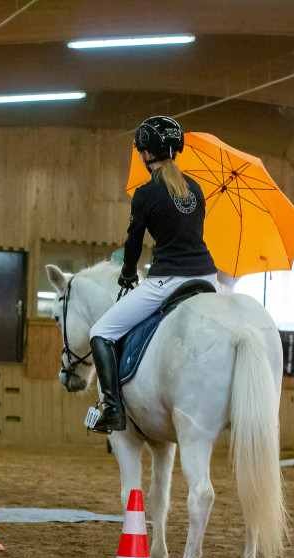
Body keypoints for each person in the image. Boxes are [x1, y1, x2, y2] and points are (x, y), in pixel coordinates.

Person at [86, 115, 219, 433]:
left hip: (166, 281)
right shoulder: (197, 190)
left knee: (100, 332)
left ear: (147, 153)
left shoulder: (145, 194)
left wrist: (127, 274)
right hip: (207, 279)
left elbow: (133, 243)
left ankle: (114, 409)